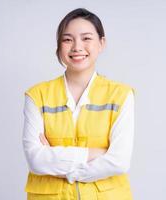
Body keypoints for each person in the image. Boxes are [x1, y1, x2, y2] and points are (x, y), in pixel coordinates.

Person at [22, 8, 136, 200]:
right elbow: (36, 160)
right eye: (67, 39)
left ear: (101, 43)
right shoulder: (37, 95)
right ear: (58, 46)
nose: (77, 47)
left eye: (86, 38)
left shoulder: (121, 95)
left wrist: (64, 167)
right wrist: (95, 153)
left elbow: (119, 162)